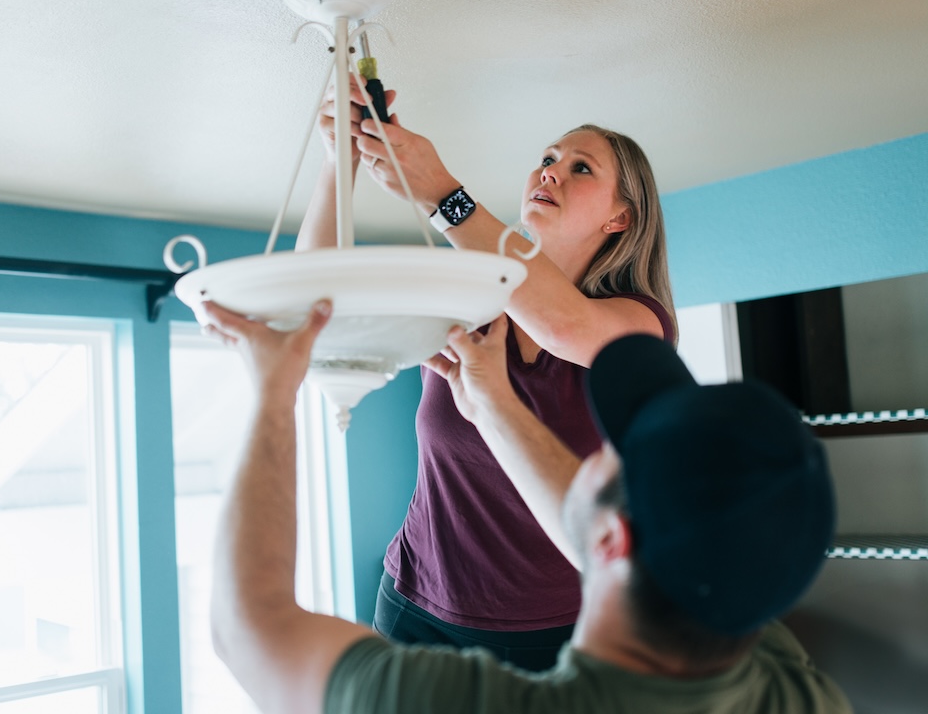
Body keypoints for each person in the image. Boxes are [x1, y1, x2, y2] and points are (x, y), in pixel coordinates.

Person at [202, 298, 850, 714]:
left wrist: (272, 391)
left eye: (610, 449)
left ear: (612, 542)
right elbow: (601, 533)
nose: (591, 454)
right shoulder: (793, 687)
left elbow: (250, 627)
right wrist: (491, 403)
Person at [296, 77, 677, 669]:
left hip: (556, 631)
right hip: (414, 608)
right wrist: (337, 159)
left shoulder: (639, 326)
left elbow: (563, 325)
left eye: (581, 169)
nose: (550, 171)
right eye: (548, 158)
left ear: (621, 219)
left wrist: (442, 194)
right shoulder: (465, 293)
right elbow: (316, 302)